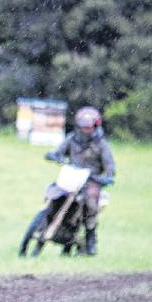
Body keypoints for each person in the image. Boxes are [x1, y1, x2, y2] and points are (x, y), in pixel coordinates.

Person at [45, 106, 115, 256]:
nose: (84, 131)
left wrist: (107, 177)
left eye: (88, 128)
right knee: (54, 192)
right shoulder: (72, 139)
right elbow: (59, 152)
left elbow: (110, 166)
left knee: (90, 204)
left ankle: (90, 237)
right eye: (82, 127)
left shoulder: (102, 145)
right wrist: (54, 156)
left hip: (91, 180)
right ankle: (46, 220)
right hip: (72, 177)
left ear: (95, 127)